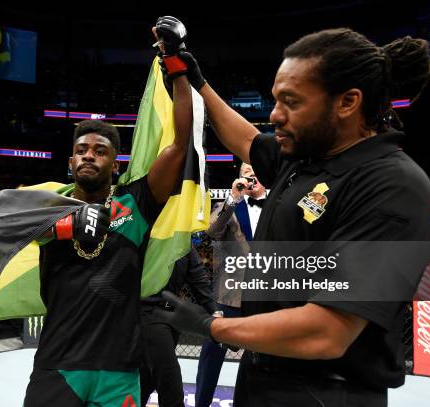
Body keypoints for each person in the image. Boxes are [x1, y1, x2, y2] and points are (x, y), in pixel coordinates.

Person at [155, 17, 430, 406]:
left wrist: (212, 327)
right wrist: (196, 79)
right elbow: (247, 139)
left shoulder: (392, 186)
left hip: (326, 392)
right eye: (276, 99)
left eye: (291, 101)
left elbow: (328, 330)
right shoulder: (306, 156)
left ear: (347, 102)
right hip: (263, 378)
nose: (275, 114)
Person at [23, 21, 194, 407]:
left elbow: (179, 145)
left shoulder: (134, 204)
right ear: (70, 161)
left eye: (100, 151)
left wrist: (177, 66)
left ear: (115, 164)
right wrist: (67, 225)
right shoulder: (46, 205)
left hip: (119, 369)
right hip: (57, 365)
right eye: (82, 149)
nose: (89, 155)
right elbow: (1, 223)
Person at [195, 163, 267, 407]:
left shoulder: (278, 205)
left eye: (255, 170)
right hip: (230, 296)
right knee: (211, 357)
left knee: (260, 360)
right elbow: (212, 230)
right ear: (240, 176)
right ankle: (202, 403)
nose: (251, 174)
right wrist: (233, 198)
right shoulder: (229, 206)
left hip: (265, 297)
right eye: (247, 170)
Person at [140, 245, 217, 407]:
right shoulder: (143, 228)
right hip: (144, 314)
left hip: (169, 316)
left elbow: (198, 277)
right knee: (170, 385)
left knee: (145, 379)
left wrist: (216, 315)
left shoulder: (182, 238)